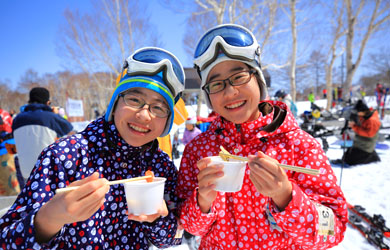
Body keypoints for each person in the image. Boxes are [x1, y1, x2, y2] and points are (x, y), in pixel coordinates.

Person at [176, 24, 347, 249]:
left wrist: (286, 196)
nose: (229, 92)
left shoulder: (299, 145)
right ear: (208, 96)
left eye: (238, 76)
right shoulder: (198, 151)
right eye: (216, 84)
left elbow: (333, 230)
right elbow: (189, 227)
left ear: (258, 78)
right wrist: (202, 202)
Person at [0, 47, 185, 249]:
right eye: (134, 99)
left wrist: (157, 220)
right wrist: (49, 219)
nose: (143, 115)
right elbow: (5, 240)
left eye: (158, 107)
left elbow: (173, 239)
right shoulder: (65, 156)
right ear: (115, 103)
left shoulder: (160, 166)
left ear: (167, 121)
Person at [11, 87, 74, 180]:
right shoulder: (50, 117)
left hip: (26, 172)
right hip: (49, 170)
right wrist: (56, 115)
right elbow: (69, 130)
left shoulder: (17, 119)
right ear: (48, 102)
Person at [332, 100, 381, 166]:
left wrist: (354, 127)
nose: (358, 114)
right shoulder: (366, 115)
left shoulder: (372, 121)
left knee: (350, 161)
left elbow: (369, 134)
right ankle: (370, 156)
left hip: (365, 145)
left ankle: (371, 157)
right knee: (347, 154)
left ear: (363, 111)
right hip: (360, 142)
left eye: (358, 112)